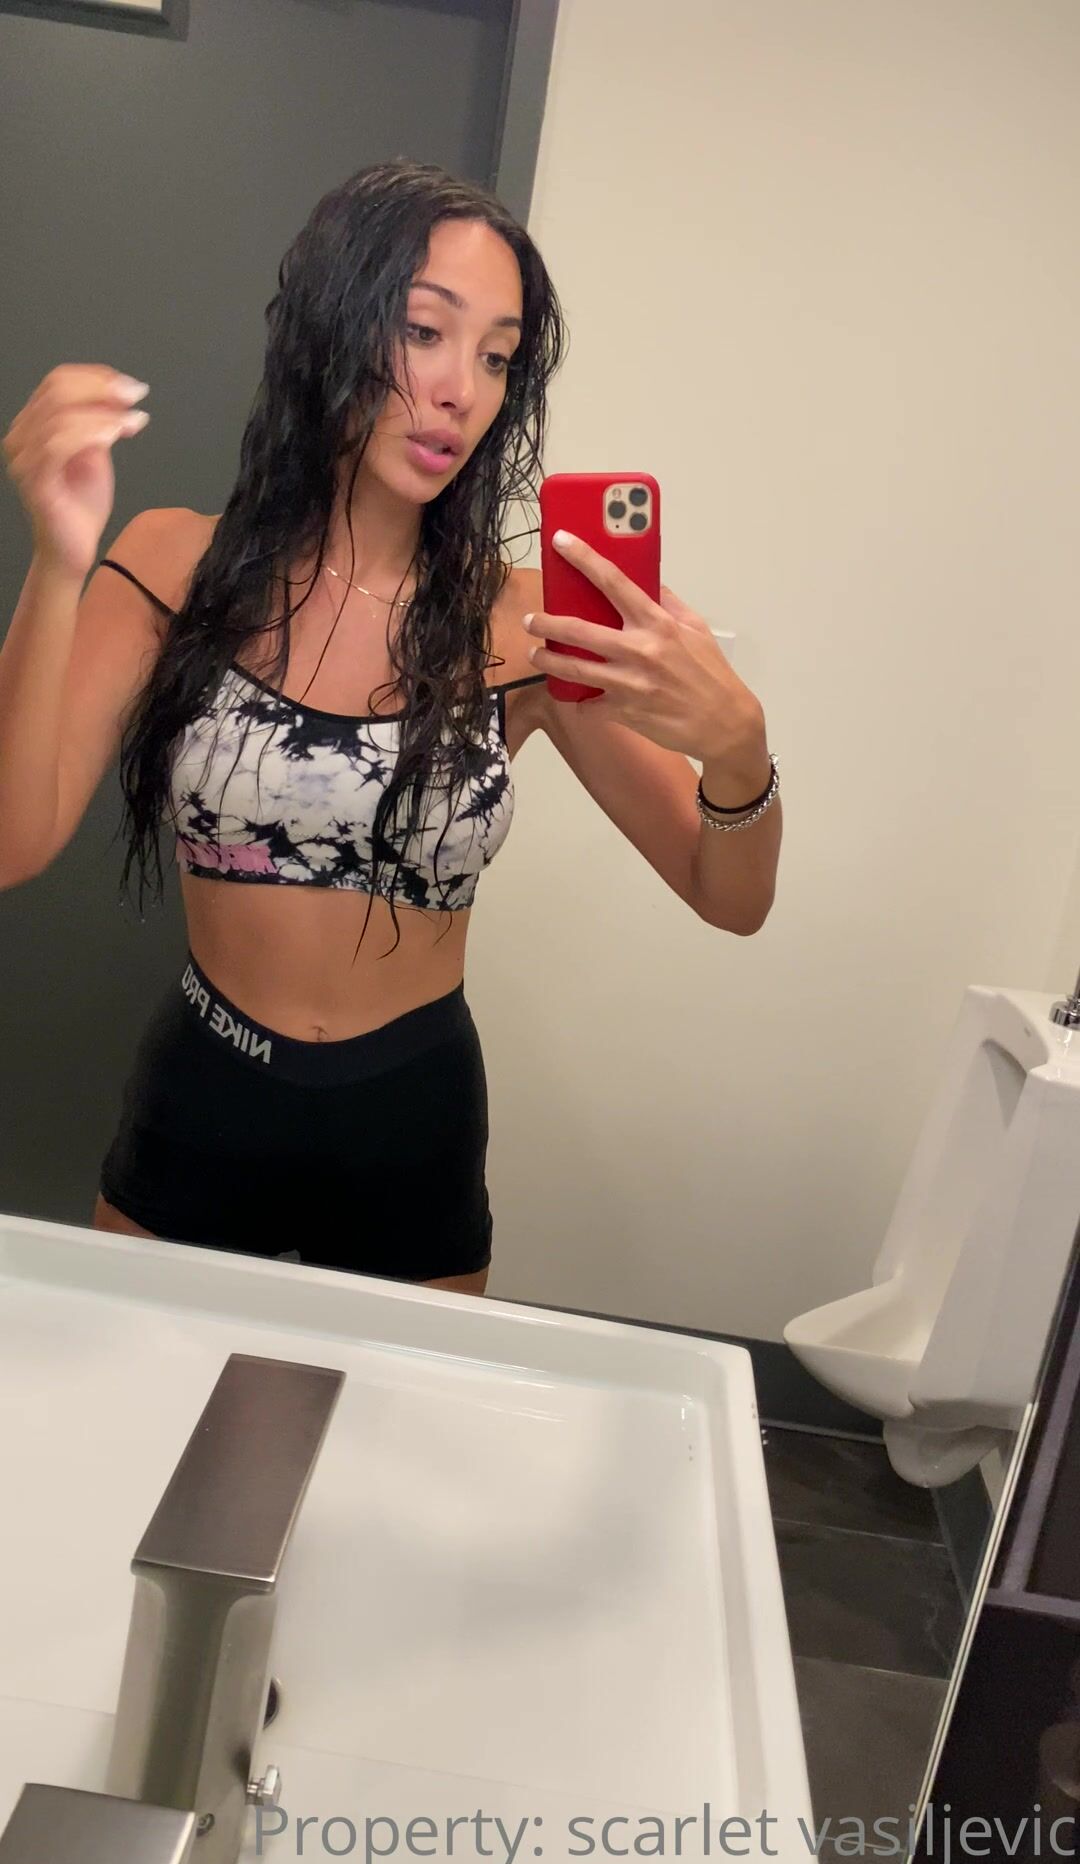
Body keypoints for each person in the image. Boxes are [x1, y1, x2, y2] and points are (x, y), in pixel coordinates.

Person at [0, 160, 781, 1297]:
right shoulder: (172, 564)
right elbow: (10, 841)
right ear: (334, 323)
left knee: (404, 1420)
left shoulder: (525, 624)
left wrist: (739, 750)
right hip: (205, 1095)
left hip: (413, 1121)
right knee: (140, 1400)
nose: (463, 389)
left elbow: (731, 896)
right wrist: (56, 566)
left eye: (498, 356)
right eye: (425, 331)